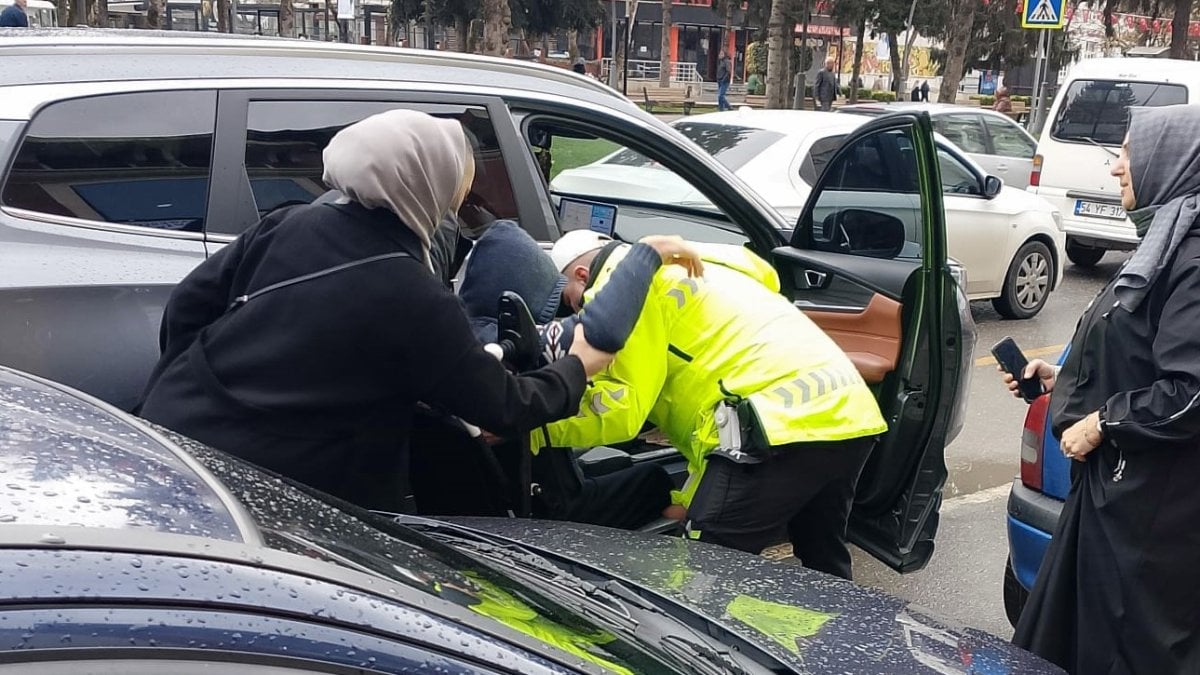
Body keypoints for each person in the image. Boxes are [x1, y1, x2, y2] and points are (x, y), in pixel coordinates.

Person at [136, 110, 617, 514]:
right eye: (456, 189)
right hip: (277, 487)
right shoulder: (410, 292)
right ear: (425, 184)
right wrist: (579, 364)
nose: (456, 205)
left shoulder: (290, 223)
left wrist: (192, 377)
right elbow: (505, 406)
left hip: (175, 431)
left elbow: (187, 307)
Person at [532, 231, 887, 580]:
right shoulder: (707, 264)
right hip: (849, 409)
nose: (580, 322)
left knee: (702, 578)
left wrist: (532, 422)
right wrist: (689, 499)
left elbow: (622, 408)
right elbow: (712, 399)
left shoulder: (624, 290)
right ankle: (842, 637)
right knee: (823, 562)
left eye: (573, 304)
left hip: (774, 427)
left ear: (581, 276)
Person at [1001, 105, 1200, 673]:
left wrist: (1103, 421)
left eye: (1131, 152)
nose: (1117, 167)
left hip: (1153, 526)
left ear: (1175, 160)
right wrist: (1060, 383)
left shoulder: (1193, 258)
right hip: (1114, 502)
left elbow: (1190, 390)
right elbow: (1133, 356)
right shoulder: (1166, 239)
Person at [456, 222, 703, 529]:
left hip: (488, 507)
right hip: (555, 512)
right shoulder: (520, 355)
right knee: (654, 478)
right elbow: (621, 412)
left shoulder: (458, 351)